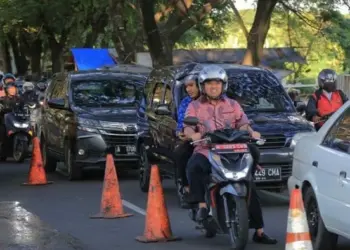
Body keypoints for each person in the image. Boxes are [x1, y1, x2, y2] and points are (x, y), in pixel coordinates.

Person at [183, 65, 277, 244]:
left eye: (217, 83)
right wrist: (192, 134)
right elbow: (188, 126)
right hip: (207, 148)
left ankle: (259, 231)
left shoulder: (233, 104)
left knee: (249, 182)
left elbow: (242, 123)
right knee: (194, 166)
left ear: (223, 85)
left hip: (235, 148)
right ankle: (202, 206)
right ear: (203, 86)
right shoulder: (194, 106)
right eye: (209, 83)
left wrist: (250, 131)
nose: (213, 87)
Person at [174, 74, 200, 208]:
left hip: (214, 140)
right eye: (186, 87)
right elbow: (181, 125)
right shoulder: (186, 102)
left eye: (191, 85)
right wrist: (182, 133)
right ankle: (186, 188)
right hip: (193, 140)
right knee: (181, 153)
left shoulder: (220, 101)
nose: (189, 89)